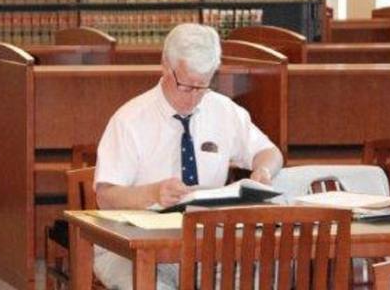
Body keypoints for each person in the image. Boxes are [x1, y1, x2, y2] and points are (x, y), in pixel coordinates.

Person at [93, 23, 284, 289]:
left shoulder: (223, 111)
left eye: (202, 86)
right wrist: (152, 193)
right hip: (132, 245)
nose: (193, 97)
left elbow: (270, 152)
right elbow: (105, 196)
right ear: (164, 66)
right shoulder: (130, 120)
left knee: (267, 274)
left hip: (206, 243)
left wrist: (263, 171)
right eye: (185, 86)